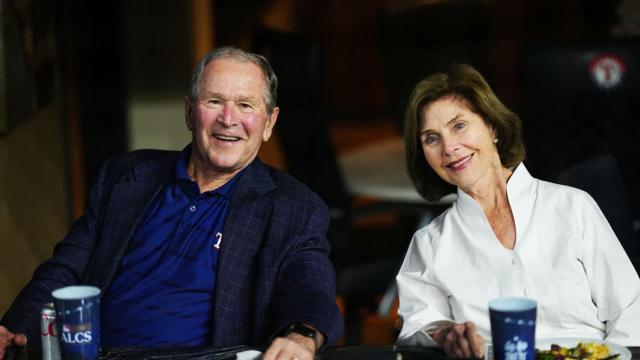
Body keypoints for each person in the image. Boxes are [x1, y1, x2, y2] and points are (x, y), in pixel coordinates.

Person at [0, 46, 343, 360]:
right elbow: (66, 269)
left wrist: (303, 334)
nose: (228, 118)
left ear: (269, 123)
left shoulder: (293, 207)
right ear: (189, 112)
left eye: (245, 105)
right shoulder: (126, 176)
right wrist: (13, 331)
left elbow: (310, 284)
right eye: (214, 101)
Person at [396, 63, 640, 358]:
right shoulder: (430, 244)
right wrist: (444, 332)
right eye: (431, 138)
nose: (449, 147)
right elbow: (415, 332)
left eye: (459, 125)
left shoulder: (573, 207)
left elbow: (630, 310)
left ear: (493, 127)